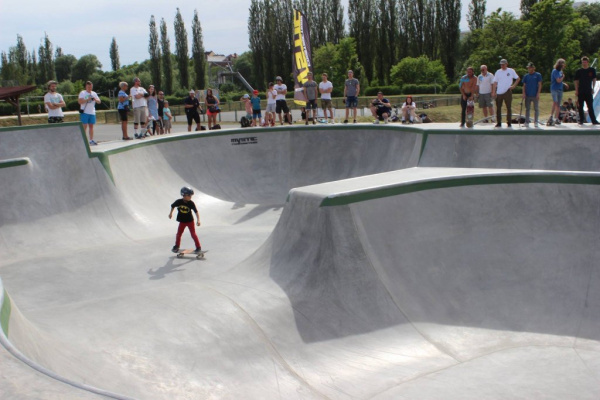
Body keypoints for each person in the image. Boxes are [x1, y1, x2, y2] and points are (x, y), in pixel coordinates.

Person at [169, 186, 201, 254]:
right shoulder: (179, 202)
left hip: (190, 221)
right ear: (184, 195)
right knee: (178, 234)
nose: (190, 197)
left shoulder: (191, 203)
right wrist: (170, 213)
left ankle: (198, 247)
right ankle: (176, 246)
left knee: (193, 234)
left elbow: (196, 211)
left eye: (191, 195)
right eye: (189, 195)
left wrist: (198, 220)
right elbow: (172, 206)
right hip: (182, 222)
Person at [492, 59, 520, 128]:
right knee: (498, 108)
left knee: (508, 107)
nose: (502, 65)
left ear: (506, 64)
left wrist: (513, 86)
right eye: (501, 64)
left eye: (503, 64)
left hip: (507, 91)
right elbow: (495, 82)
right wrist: (493, 91)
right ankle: (499, 122)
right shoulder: (498, 72)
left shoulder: (511, 70)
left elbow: (518, 78)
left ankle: (509, 122)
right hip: (499, 92)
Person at [574, 56, 600, 125]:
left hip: (588, 90)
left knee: (590, 106)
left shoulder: (591, 70)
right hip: (581, 90)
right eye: (583, 62)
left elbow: (594, 79)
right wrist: (576, 90)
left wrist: (593, 88)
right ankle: (581, 120)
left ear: (587, 62)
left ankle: (593, 120)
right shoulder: (579, 71)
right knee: (580, 106)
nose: (584, 63)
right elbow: (576, 81)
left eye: (585, 62)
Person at [78, 81, 101, 145]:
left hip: (92, 112)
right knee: (84, 126)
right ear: (86, 86)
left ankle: (91, 140)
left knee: (91, 126)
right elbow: (80, 102)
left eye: (91, 87)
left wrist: (95, 100)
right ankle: (83, 140)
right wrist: (87, 99)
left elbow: (99, 101)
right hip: (85, 112)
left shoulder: (94, 93)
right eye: (88, 87)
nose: (90, 88)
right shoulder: (82, 93)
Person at [521, 62, 542, 128]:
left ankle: (536, 122)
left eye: (530, 67)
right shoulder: (526, 76)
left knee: (536, 108)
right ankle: (527, 121)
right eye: (528, 68)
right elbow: (524, 85)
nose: (529, 69)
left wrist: (538, 93)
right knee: (527, 108)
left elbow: (540, 84)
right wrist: (524, 93)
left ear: (533, 68)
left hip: (535, 94)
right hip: (528, 94)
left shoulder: (537, 75)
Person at [548, 58, 568, 126]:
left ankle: (556, 118)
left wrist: (564, 83)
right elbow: (558, 80)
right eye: (563, 64)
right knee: (555, 102)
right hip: (554, 89)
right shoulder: (555, 71)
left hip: (560, 89)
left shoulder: (561, 71)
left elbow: (560, 81)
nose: (564, 65)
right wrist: (563, 77)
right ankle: (551, 116)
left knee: (558, 104)